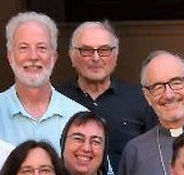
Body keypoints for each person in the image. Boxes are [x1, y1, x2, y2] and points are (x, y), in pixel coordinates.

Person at [0, 12, 87, 150]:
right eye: (24, 48)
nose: (33, 56)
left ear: (53, 57)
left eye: (41, 48)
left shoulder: (79, 117)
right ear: (10, 56)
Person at [56, 20, 156, 164]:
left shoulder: (141, 99)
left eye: (104, 50)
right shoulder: (57, 99)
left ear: (116, 55)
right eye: (86, 51)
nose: (95, 58)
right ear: (72, 56)